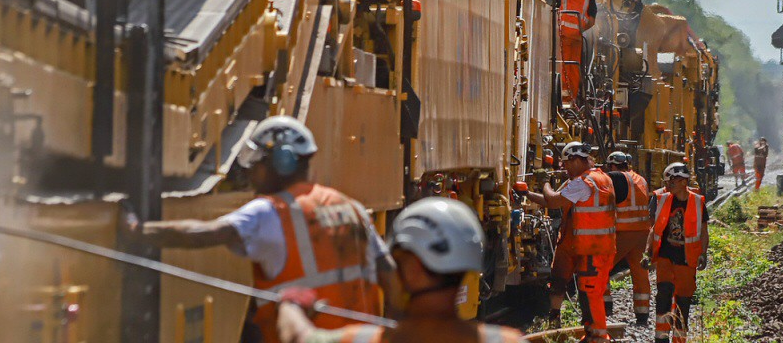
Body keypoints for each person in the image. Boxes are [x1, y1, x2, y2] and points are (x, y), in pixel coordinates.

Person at [126, 116, 395, 343]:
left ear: (282, 162)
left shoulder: (270, 212)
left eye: (258, 163)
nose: (252, 172)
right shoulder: (352, 209)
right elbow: (392, 281)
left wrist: (139, 231)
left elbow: (203, 233)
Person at [277, 197, 523, 343]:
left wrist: (291, 305)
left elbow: (299, 336)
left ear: (414, 269)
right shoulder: (506, 341)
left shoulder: (362, 339)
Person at [517, 141, 616, 342]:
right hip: (600, 247)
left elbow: (553, 200)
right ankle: (592, 334)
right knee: (590, 292)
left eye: (566, 163)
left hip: (591, 249)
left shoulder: (583, 182)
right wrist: (527, 194)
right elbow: (554, 200)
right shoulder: (601, 178)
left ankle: (598, 337)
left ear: (577, 160)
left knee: (590, 294)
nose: (564, 168)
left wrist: (544, 182)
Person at [642, 163, 709, 343]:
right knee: (663, 295)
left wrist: (703, 253)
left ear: (682, 181)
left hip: (686, 260)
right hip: (665, 257)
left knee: (683, 302)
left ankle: (679, 340)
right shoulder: (662, 199)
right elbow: (655, 229)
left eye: (671, 181)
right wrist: (647, 253)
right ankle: (661, 338)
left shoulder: (697, 202)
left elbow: (703, 231)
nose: (668, 185)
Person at [602, 151, 653, 325]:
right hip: (642, 233)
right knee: (640, 274)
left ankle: (605, 307)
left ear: (613, 166)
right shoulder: (641, 179)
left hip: (623, 232)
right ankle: (642, 315)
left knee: (602, 267)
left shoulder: (616, 178)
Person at [555, 0, 598, 105]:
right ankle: (570, 100)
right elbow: (592, 20)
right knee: (573, 68)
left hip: (560, 34)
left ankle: (560, 97)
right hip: (577, 36)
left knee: (561, 66)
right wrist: (579, 29)